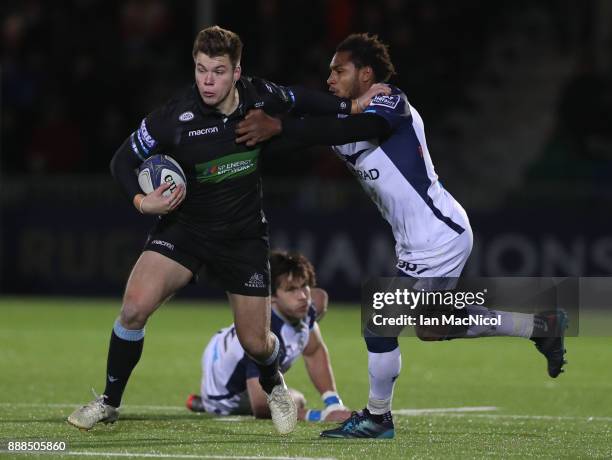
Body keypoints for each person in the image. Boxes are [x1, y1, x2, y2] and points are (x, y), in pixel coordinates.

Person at [235, 33, 568, 439]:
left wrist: (282, 125)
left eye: (339, 70)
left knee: (379, 319)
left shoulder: (389, 99)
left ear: (366, 73)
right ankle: (540, 325)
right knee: (433, 327)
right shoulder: (344, 118)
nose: (330, 79)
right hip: (423, 239)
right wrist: (259, 114)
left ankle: (378, 417)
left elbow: (363, 125)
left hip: (438, 233)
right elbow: (311, 117)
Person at [66, 26, 385, 435]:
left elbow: (302, 99)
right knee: (133, 307)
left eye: (218, 71)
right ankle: (109, 402)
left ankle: (276, 387)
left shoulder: (259, 97)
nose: (207, 81)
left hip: (242, 238)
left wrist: (352, 109)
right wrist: (144, 203)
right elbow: (121, 161)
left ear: (237, 72)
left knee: (257, 342)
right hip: (185, 230)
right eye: (201, 70)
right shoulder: (174, 117)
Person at [186, 250, 351, 423]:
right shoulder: (264, 336)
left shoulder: (304, 310)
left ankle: (201, 402)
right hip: (225, 395)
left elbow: (314, 350)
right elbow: (261, 406)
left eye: (304, 286)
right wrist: (321, 416)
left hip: (222, 348)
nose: (302, 296)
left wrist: (333, 403)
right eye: (291, 289)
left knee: (286, 391)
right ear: (271, 298)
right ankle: (208, 403)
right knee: (297, 399)